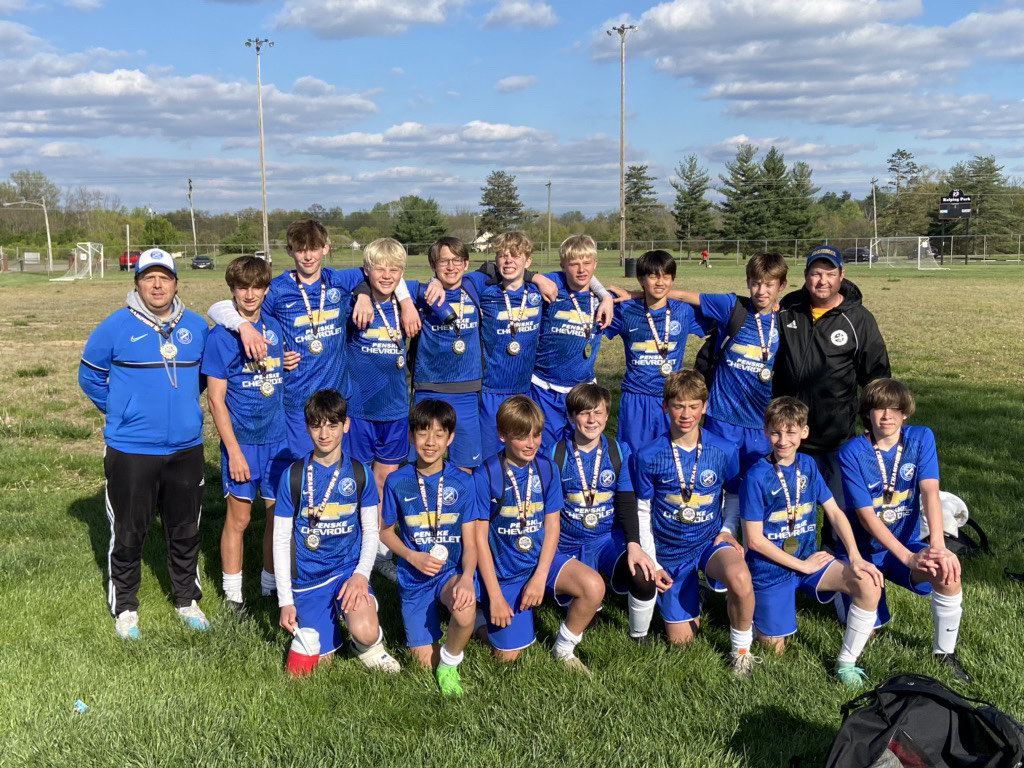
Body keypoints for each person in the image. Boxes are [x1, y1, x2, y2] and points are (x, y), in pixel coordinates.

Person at [79, 248, 211, 638]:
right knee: (129, 531)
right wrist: (123, 410)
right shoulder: (115, 326)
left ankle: (186, 600)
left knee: (185, 529)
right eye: (148, 278)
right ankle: (126, 607)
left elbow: (205, 378)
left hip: (186, 448)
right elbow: (89, 376)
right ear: (136, 283)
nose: (157, 285)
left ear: (176, 283)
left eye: (164, 277)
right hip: (132, 449)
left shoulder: (197, 327)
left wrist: (183, 407)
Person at [741, 397, 883, 688]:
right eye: (776, 433)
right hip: (770, 570)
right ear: (766, 431)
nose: (783, 441)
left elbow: (835, 513)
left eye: (791, 432)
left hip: (809, 561)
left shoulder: (807, 465)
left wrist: (855, 556)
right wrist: (801, 565)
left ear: (804, 432)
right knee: (773, 652)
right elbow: (754, 541)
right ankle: (757, 614)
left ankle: (846, 663)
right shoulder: (756, 476)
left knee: (868, 583)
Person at [838, 379, 969, 682]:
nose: (887, 415)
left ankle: (944, 654)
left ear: (906, 412)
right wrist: (908, 559)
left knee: (947, 571)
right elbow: (866, 517)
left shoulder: (921, 438)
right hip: (864, 551)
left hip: (905, 542)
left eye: (895, 408)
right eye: (879, 408)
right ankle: (841, 590)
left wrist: (938, 546)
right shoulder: (852, 453)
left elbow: (930, 492)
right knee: (870, 633)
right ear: (867, 413)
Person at [627, 370, 757, 677]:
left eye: (693, 406)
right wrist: (653, 561)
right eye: (678, 406)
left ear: (705, 407)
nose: (686, 414)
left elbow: (733, 496)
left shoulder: (724, 449)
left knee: (740, 576)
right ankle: (695, 591)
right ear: (665, 406)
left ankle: (741, 653)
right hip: (670, 550)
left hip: (709, 542)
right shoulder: (648, 455)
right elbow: (643, 510)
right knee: (682, 642)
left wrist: (727, 531)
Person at [272, 389, 400, 674]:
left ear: (346, 425)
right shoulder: (292, 476)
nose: (324, 434)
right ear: (307, 428)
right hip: (308, 578)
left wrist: (360, 575)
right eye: (316, 426)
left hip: (347, 571)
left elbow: (371, 531)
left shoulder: (360, 473)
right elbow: (279, 540)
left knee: (365, 631)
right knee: (314, 667)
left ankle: (368, 646)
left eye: (332, 425)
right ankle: (329, 627)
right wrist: (285, 602)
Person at [475, 395, 604, 669]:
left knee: (593, 586)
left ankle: (564, 649)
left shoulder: (546, 468)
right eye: (522, 436)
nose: (531, 443)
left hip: (541, 562)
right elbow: (479, 541)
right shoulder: (487, 474)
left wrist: (540, 577)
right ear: (502, 436)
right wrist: (495, 596)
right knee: (509, 659)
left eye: (536, 435)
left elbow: (552, 525)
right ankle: (480, 619)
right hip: (505, 573)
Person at [772, 245, 890, 539]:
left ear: (841, 276)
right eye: (815, 273)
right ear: (806, 276)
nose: (822, 280)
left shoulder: (858, 319)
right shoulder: (787, 308)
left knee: (840, 515)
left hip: (835, 437)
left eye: (829, 273)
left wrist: (875, 425)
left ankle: (836, 560)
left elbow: (877, 377)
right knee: (787, 512)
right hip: (789, 435)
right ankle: (791, 562)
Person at [201, 256, 296, 613]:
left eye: (258, 287)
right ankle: (233, 595)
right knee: (239, 519)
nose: (250, 294)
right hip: (242, 443)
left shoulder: (274, 327)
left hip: (278, 441)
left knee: (276, 517)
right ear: (232, 289)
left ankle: (269, 586)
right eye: (243, 287)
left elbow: (272, 371)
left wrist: (285, 363)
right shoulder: (221, 337)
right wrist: (234, 452)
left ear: (267, 289)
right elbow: (215, 400)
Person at [379, 400, 482, 695]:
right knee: (424, 664)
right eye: (423, 433)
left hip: (451, 573)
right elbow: (385, 532)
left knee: (464, 609)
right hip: (414, 578)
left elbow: (471, 540)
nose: (430, 442)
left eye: (439, 434)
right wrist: (411, 556)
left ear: (450, 438)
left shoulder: (463, 482)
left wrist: (467, 577)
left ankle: (450, 663)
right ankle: (449, 628)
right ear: (411, 436)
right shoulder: (397, 481)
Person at [551, 383, 658, 639]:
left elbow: (627, 503)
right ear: (571, 416)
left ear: (607, 416)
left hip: (607, 539)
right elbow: (550, 511)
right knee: (588, 620)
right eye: (584, 413)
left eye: (598, 413)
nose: (592, 420)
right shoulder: (555, 454)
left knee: (643, 575)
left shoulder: (619, 451)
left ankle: (639, 636)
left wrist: (634, 545)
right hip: (569, 543)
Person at [671, 252, 788, 472]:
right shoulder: (732, 306)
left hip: (761, 423)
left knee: (755, 482)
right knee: (716, 479)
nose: (761, 291)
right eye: (756, 283)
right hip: (721, 418)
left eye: (769, 285)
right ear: (748, 282)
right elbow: (682, 296)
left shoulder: (786, 318)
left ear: (781, 285)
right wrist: (634, 294)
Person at [604, 250, 707, 455]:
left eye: (666, 276)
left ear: (673, 279)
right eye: (653, 276)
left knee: (670, 456)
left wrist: (636, 292)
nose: (660, 282)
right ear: (641, 279)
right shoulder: (626, 310)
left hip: (673, 399)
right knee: (634, 457)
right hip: (637, 399)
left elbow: (727, 309)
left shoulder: (684, 311)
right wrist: (617, 297)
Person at [528, 235, 615, 449]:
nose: (581, 270)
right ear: (563, 266)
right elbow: (511, 272)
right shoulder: (552, 287)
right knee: (546, 450)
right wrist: (537, 278)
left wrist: (607, 297)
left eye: (587, 263)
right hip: (545, 389)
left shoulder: (603, 301)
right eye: (574, 264)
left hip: (583, 393)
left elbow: (649, 297)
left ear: (595, 263)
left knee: (578, 450)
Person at [406, 237, 484, 471]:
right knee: (425, 461)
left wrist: (536, 278)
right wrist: (411, 302)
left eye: (457, 260)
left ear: (466, 264)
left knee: (465, 465)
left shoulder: (474, 286)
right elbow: (390, 284)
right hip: (429, 389)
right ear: (433, 265)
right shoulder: (422, 293)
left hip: (467, 390)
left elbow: (495, 268)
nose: (451, 267)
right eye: (443, 261)